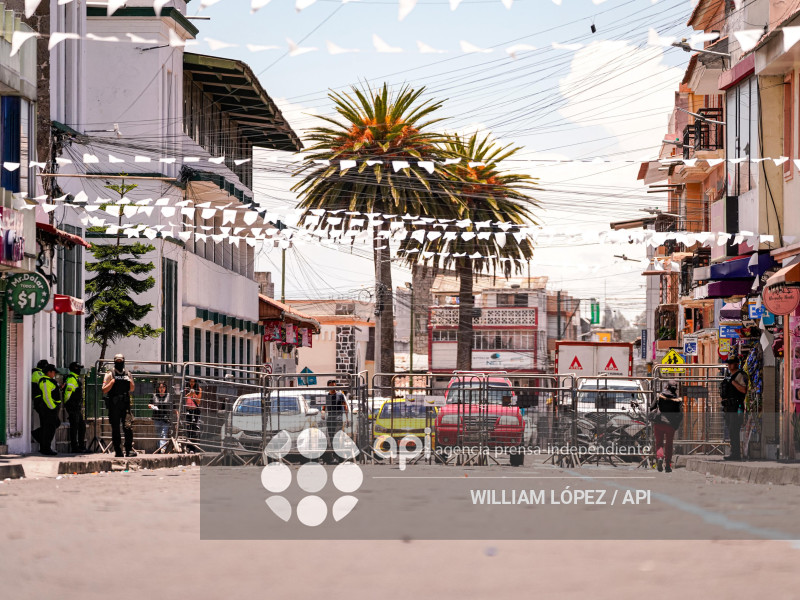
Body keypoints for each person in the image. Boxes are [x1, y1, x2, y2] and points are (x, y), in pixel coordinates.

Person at [102, 353, 136, 457]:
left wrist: (130, 381)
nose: (119, 362)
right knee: (115, 428)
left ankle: (129, 450)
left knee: (128, 427)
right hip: (114, 405)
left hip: (125, 404)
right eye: (117, 361)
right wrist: (112, 382)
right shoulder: (110, 374)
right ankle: (118, 450)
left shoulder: (127, 373)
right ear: (115, 361)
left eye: (121, 361)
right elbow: (104, 390)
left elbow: (132, 389)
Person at [720, 355, 749, 461]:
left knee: (734, 430)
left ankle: (736, 454)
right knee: (731, 430)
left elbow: (744, 390)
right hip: (728, 407)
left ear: (737, 364)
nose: (729, 365)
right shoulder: (728, 376)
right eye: (728, 363)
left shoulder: (740, 375)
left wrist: (733, 383)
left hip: (736, 406)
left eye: (731, 363)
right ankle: (734, 452)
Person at [649, 383, 683, 473]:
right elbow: (680, 414)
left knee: (659, 443)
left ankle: (660, 457)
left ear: (667, 387)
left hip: (659, 422)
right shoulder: (678, 399)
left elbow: (652, 407)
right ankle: (668, 465)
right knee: (669, 445)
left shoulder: (659, 396)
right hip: (670, 425)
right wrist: (676, 425)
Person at [31, 364, 62, 456]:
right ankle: (45, 448)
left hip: (51, 408)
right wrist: (52, 407)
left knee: (52, 425)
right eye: (54, 372)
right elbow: (46, 397)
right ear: (49, 372)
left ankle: (38, 435)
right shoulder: (45, 381)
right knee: (49, 428)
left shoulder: (50, 381)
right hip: (48, 408)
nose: (54, 374)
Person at [63, 362, 87, 453]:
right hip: (73, 406)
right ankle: (75, 447)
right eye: (78, 368)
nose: (80, 370)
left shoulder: (75, 378)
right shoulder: (71, 379)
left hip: (76, 406)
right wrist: (68, 404)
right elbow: (68, 394)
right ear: (75, 369)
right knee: (74, 427)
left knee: (81, 426)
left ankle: (81, 446)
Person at [148, 381, 174, 451]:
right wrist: (153, 406)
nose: (162, 389)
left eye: (163, 387)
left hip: (166, 418)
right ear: (158, 388)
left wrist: (177, 416)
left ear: (165, 388)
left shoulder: (169, 396)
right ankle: (160, 449)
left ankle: (162, 450)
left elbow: (174, 407)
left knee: (164, 433)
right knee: (158, 434)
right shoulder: (154, 396)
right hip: (156, 418)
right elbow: (149, 404)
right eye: (160, 387)